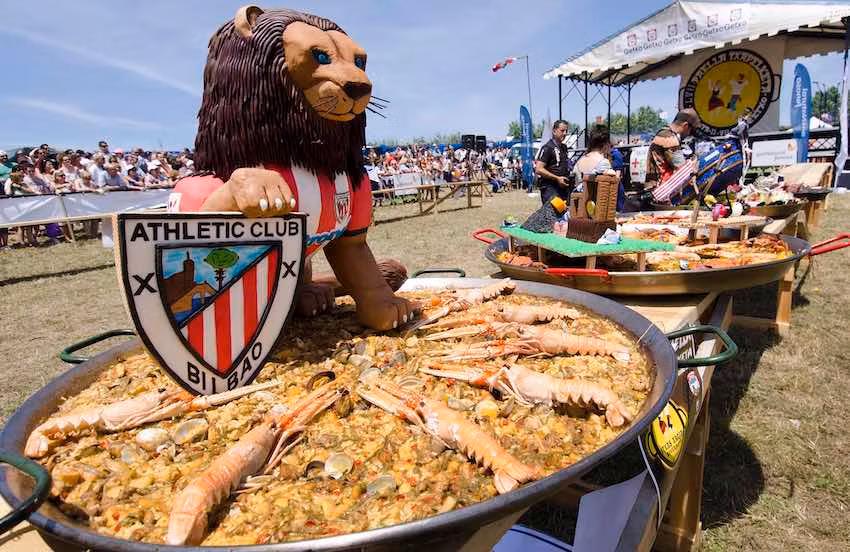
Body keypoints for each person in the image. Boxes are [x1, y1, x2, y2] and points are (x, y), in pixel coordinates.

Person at [643, 108, 700, 201]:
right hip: (660, 193)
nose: (690, 134)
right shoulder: (668, 137)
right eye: (691, 130)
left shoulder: (664, 132)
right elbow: (682, 167)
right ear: (686, 126)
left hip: (654, 189)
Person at [534, 119, 571, 205]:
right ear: (554, 131)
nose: (565, 133)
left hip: (563, 189)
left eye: (566, 131)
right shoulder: (547, 147)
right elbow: (539, 169)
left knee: (563, 215)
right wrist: (557, 178)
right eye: (562, 130)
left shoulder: (564, 147)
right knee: (552, 216)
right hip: (550, 189)